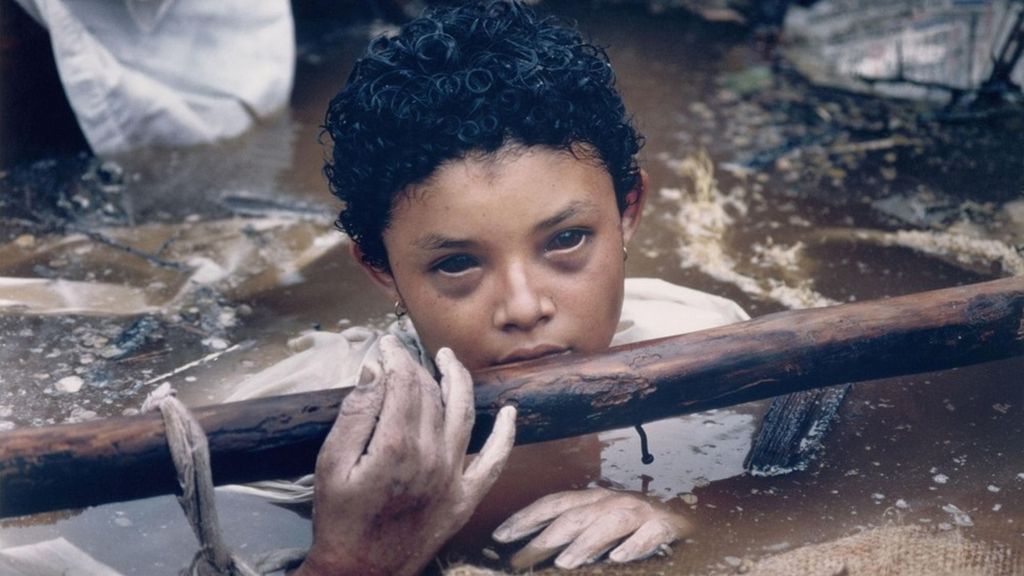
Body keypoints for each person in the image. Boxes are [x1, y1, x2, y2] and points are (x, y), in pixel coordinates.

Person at [223, 1, 749, 573]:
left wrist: (684, 510)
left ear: (627, 213)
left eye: (567, 239)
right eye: (456, 265)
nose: (524, 307)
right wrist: (350, 560)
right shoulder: (288, 445)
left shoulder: (709, 345)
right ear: (380, 269)